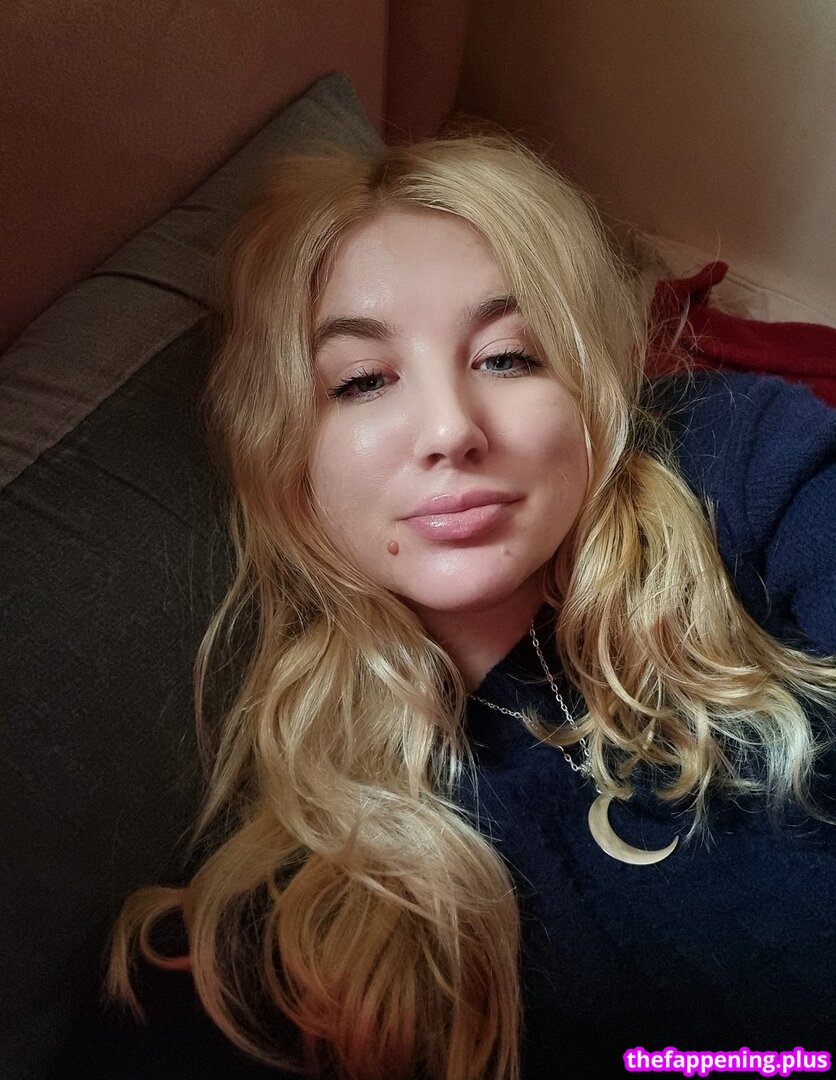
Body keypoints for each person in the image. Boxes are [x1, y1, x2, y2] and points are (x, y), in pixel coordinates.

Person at [104, 133, 836, 1080]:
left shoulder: (736, 463)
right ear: (289, 455)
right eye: (363, 381)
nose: (451, 429)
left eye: (508, 357)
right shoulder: (300, 899)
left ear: (590, 385)